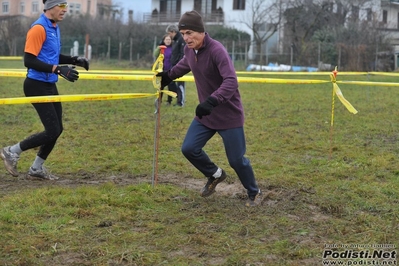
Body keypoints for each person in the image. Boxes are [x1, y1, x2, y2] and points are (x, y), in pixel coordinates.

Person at [157, 11, 262, 207]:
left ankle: (254, 192)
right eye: (183, 34)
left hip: (228, 115)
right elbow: (183, 65)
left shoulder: (217, 50)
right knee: (189, 148)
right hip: (206, 116)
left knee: (237, 160)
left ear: (201, 31)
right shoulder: (190, 50)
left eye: (189, 33)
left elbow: (231, 81)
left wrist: (212, 101)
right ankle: (215, 175)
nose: (186, 38)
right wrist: (167, 76)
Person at [0, 0, 89, 180]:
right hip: (35, 85)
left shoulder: (54, 27)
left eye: (66, 6)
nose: (66, 10)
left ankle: (36, 168)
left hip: (49, 84)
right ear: (50, 8)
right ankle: (11, 151)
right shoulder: (38, 28)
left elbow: (52, 56)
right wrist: (58, 69)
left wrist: (74, 60)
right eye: (62, 6)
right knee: (52, 129)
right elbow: (29, 61)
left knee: (57, 129)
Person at [166, 24, 186, 107]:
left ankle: (180, 102)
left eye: (169, 33)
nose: (169, 36)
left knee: (180, 84)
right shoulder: (175, 40)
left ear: (173, 32)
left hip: (179, 66)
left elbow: (182, 53)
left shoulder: (181, 39)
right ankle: (177, 98)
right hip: (173, 66)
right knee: (171, 83)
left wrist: (179, 64)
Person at [153, 34, 174, 105]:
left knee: (170, 86)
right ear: (164, 40)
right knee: (160, 86)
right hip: (161, 70)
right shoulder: (161, 48)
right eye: (166, 39)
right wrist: (158, 48)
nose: (168, 41)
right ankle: (159, 100)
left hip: (170, 69)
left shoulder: (173, 48)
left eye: (169, 40)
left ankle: (169, 101)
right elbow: (155, 55)